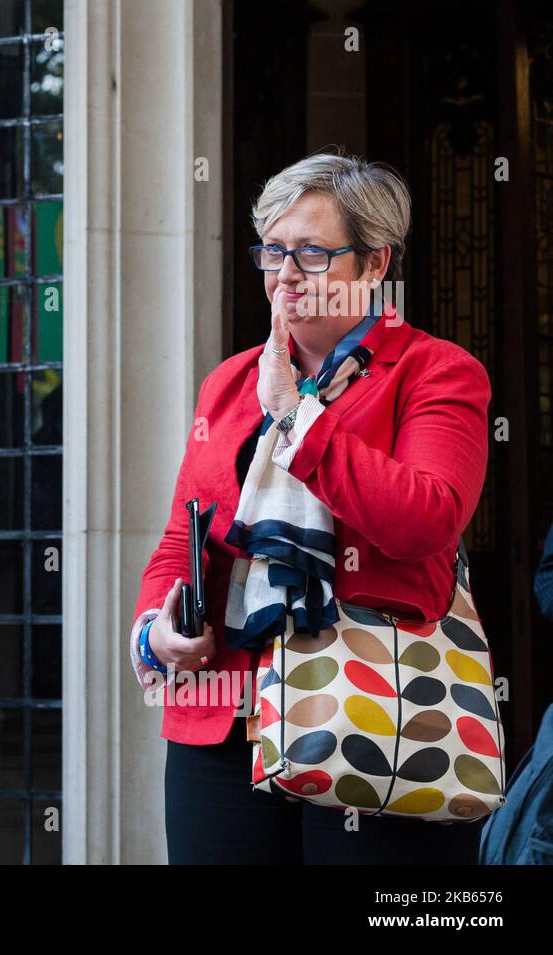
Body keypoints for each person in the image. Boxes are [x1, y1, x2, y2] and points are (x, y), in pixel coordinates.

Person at [129, 152, 491, 864]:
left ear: (375, 263)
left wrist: (297, 419)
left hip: (372, 709)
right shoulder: (229, 383)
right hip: (219, 721)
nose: (285, 274)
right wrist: (153, 631)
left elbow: (425, 519)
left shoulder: (438, 371)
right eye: (273, 250)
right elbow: (184, 534)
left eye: (314, 253)